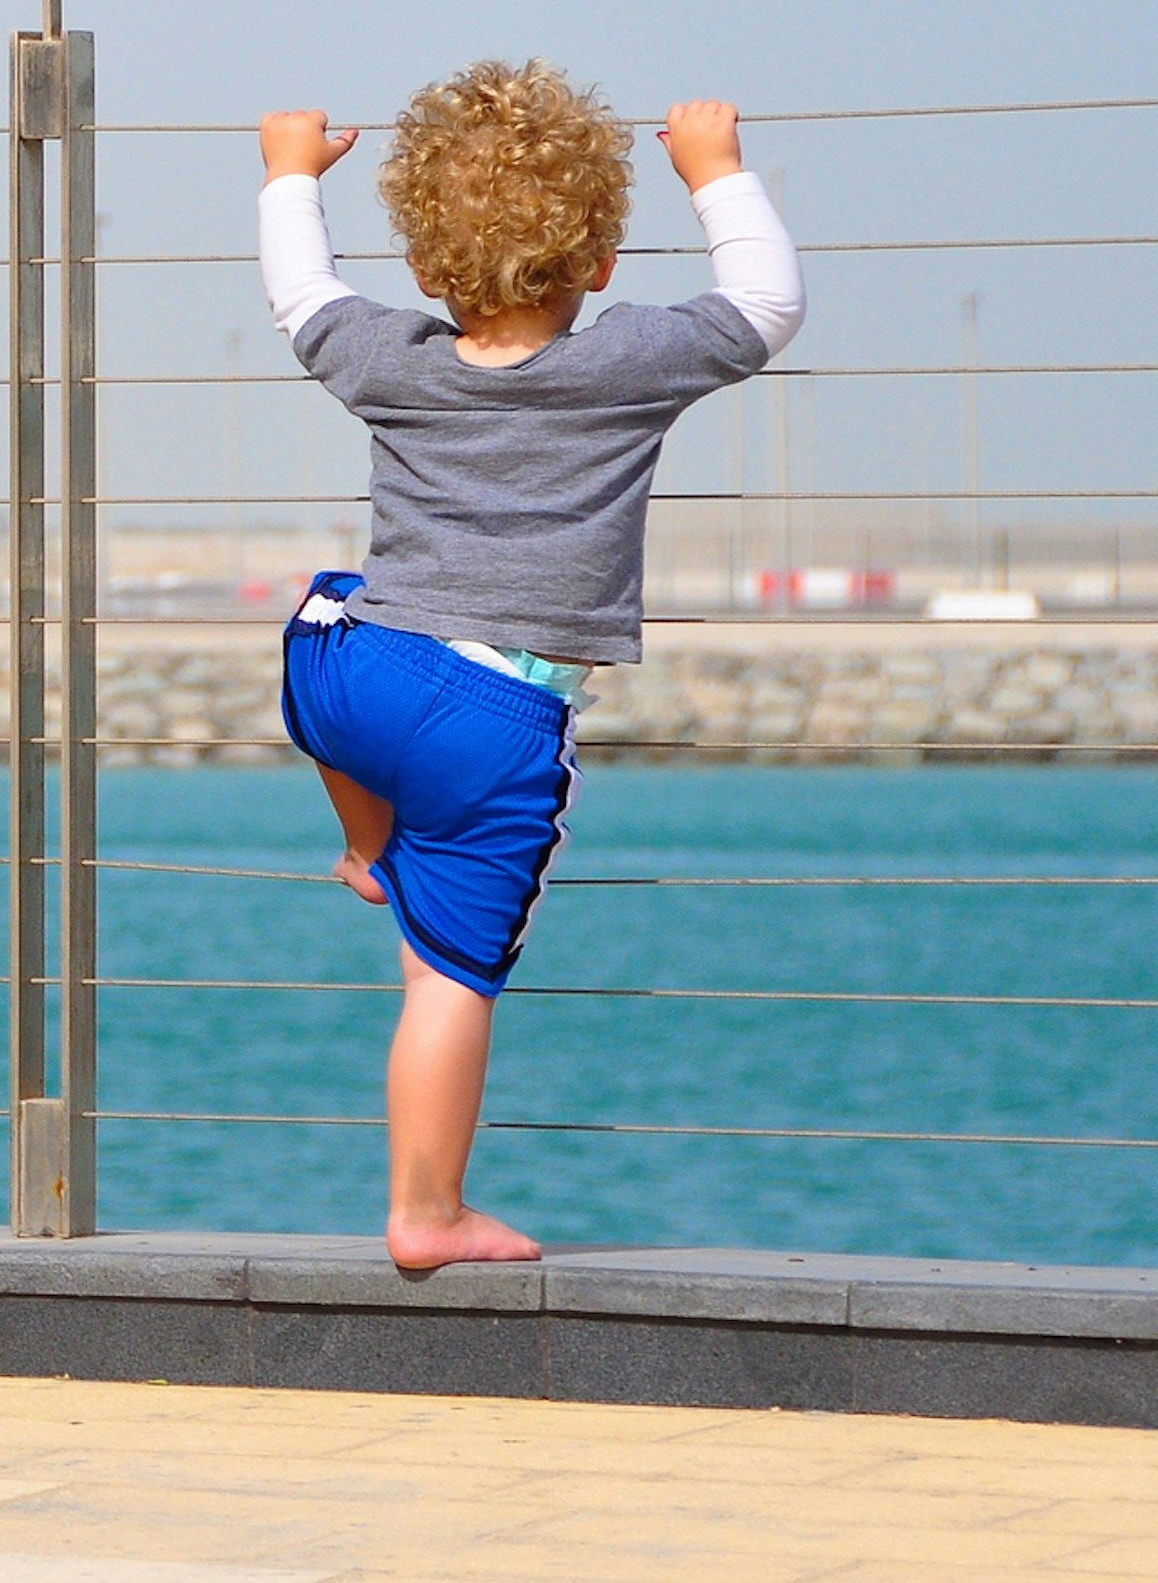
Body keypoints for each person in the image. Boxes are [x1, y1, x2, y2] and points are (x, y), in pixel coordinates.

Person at [258, 63, 801, 1270]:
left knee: (336, 601)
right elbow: (765, 303)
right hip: (491, 718)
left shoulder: (391, 358)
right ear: (599, 263)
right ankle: (428, 1212)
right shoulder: (630, 360)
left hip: (344, 671)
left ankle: (366, 845)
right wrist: (716, 171)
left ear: (426, 266)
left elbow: (302, 295)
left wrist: (290, 171)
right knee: (452, 975)